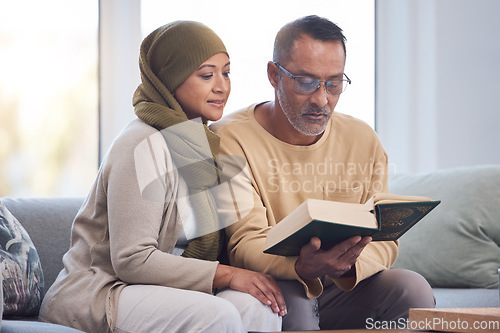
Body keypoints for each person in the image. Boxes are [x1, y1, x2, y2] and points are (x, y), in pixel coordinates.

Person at [39, 21, 285, 333]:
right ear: (170, 78)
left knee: (259, 306)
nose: (221, 86)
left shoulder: (203, 145)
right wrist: (227, 274)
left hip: (165, 290)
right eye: (207, 75)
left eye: (226, 72)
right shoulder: (141, 143)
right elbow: (131, 259)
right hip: (104, 291)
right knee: (217, 316)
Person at [211, 15, 435, 330]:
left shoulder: (362, 138)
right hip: (279, 281)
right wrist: (302, 267)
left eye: (334, 83)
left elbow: (385, 238)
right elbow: (244, 241)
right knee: (294, 305)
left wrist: (345, 268)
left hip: (343, 285)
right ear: (274, 75)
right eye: (305, 82)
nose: (321, 99)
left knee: (412, 289)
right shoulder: (230, 138)